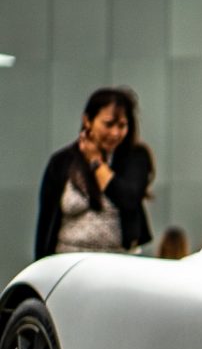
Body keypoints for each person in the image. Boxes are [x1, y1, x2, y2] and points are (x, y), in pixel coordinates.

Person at [35, 87, 154, 258]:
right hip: (68, 259)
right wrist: (41, 264)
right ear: (87, 121)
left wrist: (96, 162)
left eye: (122, 125)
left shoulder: (135, 157)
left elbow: (128, 199)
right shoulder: (62, 162)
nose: (115, 133)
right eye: (108, 124)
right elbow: (46, 222)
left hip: (119, 259)